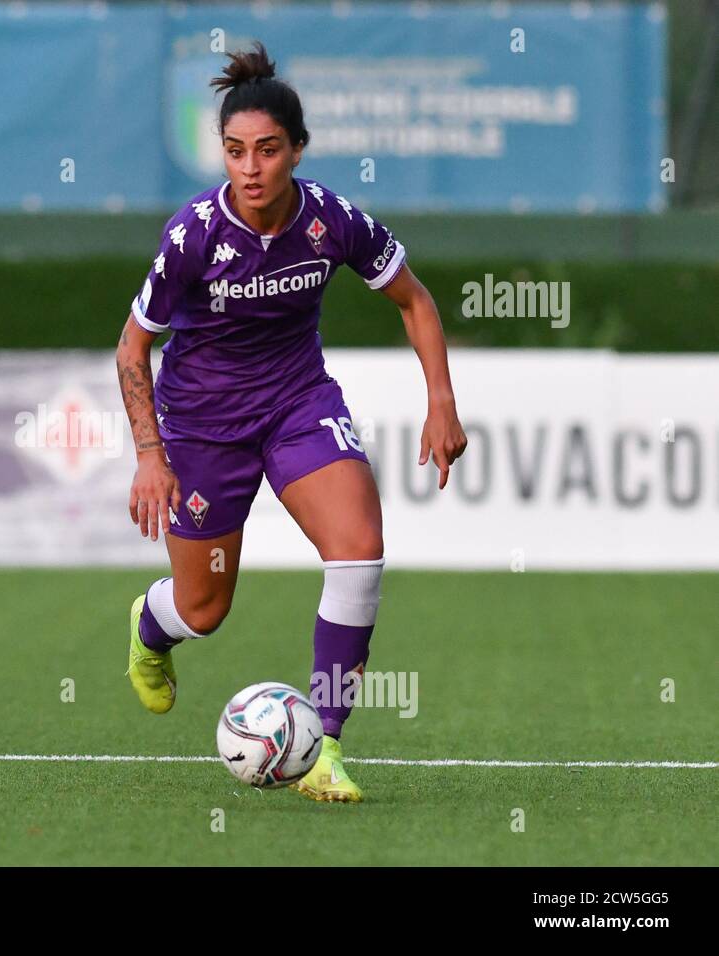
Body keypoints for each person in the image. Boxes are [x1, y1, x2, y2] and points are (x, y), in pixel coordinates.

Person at [116, 42, 467, 803]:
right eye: (235, 151)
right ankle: (152, 625)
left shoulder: (331, 220)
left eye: (267, 151)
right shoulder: (194, 236)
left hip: (298, 404)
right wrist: (151, 454)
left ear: (296, 152)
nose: (249, 168)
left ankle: (326, 748)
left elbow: (415, 300)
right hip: (203, 426)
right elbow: (133, 346)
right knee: (205, 610)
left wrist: (441, 400)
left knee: (360, 548)